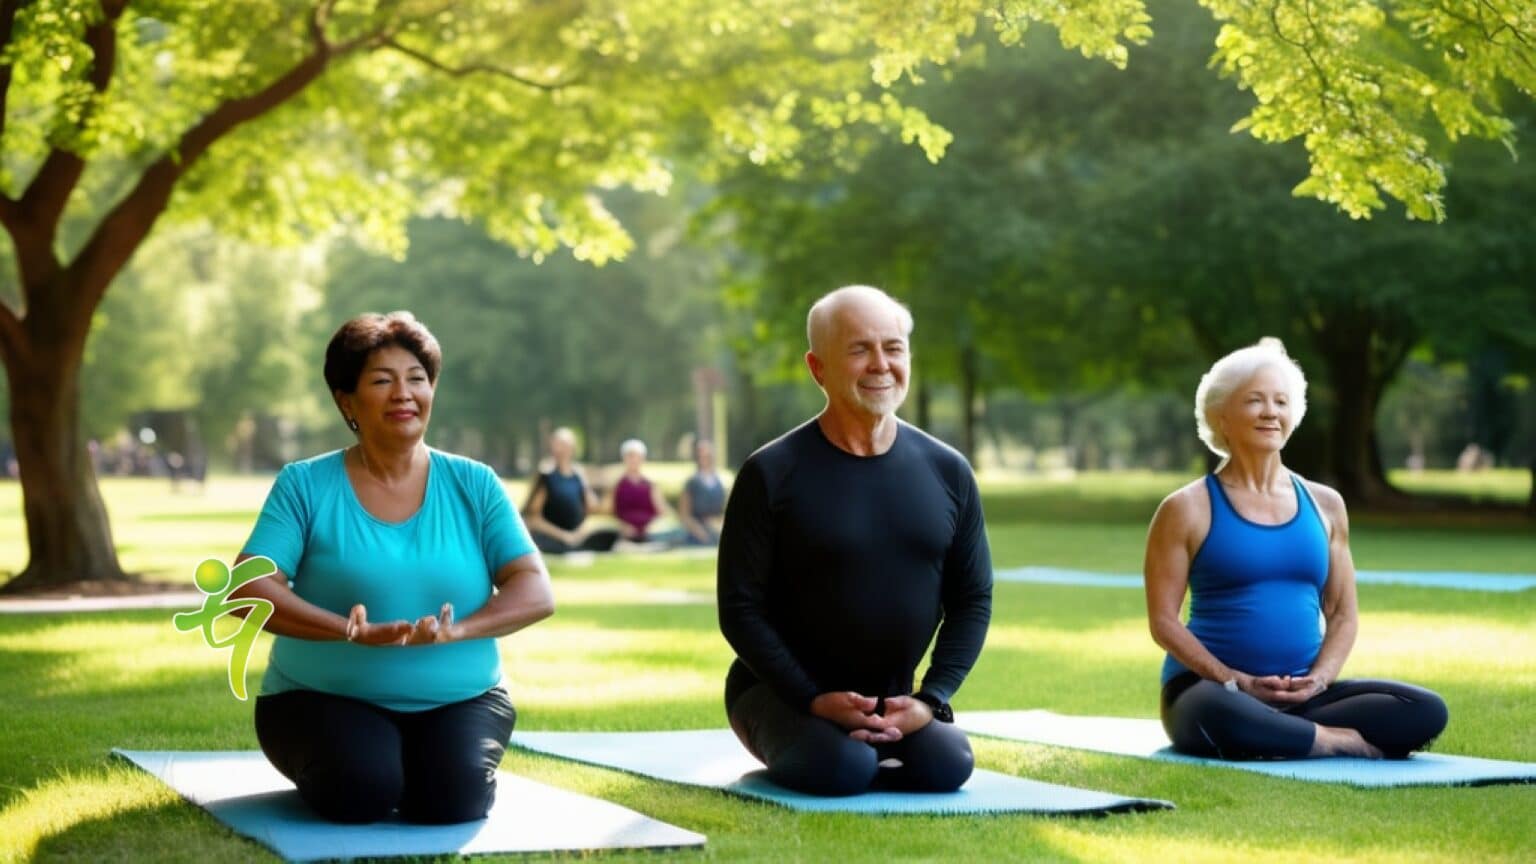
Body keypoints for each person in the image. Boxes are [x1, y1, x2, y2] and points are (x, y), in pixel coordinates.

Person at [230, 311, 555, 824]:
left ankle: (421, 767)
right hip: (320, 699)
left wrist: (459, 630)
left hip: (462, 698)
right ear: (346, 400)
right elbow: (246, 588)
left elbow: (534, 588)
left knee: (453, 802)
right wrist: (347, 631)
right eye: (382, 381)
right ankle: (371, 767)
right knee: (363, 791)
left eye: (417, 379)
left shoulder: (475, 483)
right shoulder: (305, 485)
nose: (404, 393)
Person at [717, 285, 992, 796]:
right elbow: (739, 608)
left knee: (947, 765)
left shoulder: (948, 471)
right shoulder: (770, 473)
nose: (880, 364)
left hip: (892, 699)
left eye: (893, 347)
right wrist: (813, 698)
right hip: (779, 694)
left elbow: (972, 598)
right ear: (818, 368)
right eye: (859, 349)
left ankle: (875, 743)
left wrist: (930, 700)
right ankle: (845, 749)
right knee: (842, 769)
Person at [1144, 337, 1447, 761]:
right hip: (1210, 691)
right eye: (1254, 401)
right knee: (1219, 712)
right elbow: (1163, 621)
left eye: (1281, 402)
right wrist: (1234, 680)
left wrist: (1320, 680)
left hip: (1303, 695)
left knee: (1425, 710)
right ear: (1221, 417)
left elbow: (1342, 612)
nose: (1271, 412)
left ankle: (1284, 731)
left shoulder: (1326, 505)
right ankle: (1329, 740)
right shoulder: (1185, 508)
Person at [522, 427, 619, 554]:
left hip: (575, 536)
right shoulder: (546, 476)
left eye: (566, 446)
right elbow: (533, 519)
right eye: (559, 445)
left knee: (611, 536)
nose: (562, 450)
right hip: (551, 537)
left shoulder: (578, 476)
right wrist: (563, 535)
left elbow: (592, 507)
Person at [603, 438, 677, 543]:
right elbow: (608, 513)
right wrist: (623, 527)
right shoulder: (616, 484)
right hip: (624, 532)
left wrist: (651, 527)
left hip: (649, 532)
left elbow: (662, 510)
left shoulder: (650, 485)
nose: (633, 460)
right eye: (630, 456)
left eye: (637, 456)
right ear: (624, 458)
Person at [678, 438, 727, 546]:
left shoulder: (719, 482)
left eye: (707, 455)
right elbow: (684, 515)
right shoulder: (692, 482)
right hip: (697, 530)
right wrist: (699, 531)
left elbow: (723, 512)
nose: (704, 457)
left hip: (716, 527)